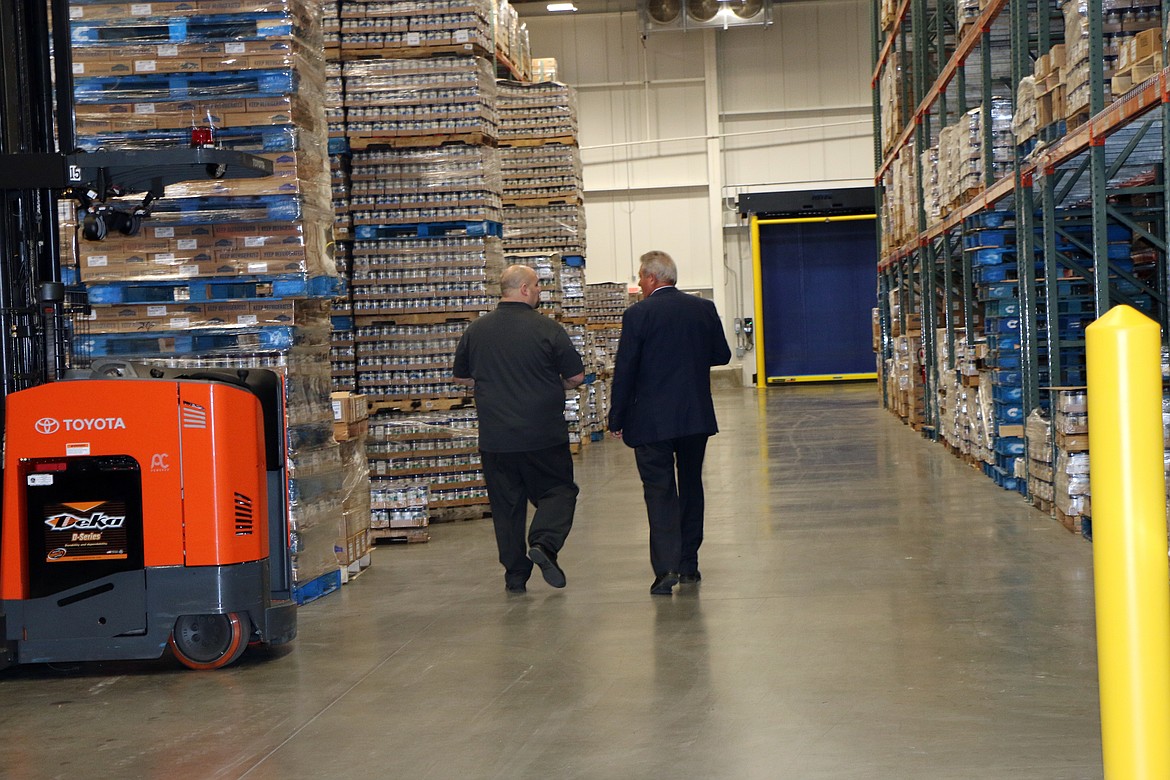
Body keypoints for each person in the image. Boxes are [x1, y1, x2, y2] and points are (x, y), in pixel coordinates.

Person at [453, 264, 586, 594]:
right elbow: (576, 377)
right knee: (558, 491)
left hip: (496, 437)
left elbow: (461, 377)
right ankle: (543, 542)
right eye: (538, 285)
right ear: (525, 289)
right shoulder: (548, 329)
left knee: (506, 507)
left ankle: (515, 576)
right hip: (543, 434)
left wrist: (492, 383)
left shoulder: (476, 330)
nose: (540, 290)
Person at [608, 250, 732, 596]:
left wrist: (616, 417)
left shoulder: (638, 315)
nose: (639, 283)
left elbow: (626, 370)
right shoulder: (702, 309)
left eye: (640, 277)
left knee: (659, 492)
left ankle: (665, 570)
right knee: (691, 485)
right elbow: (722, 355)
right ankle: (689, 564)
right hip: (695, 416)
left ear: (651, 278)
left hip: (650, 421)